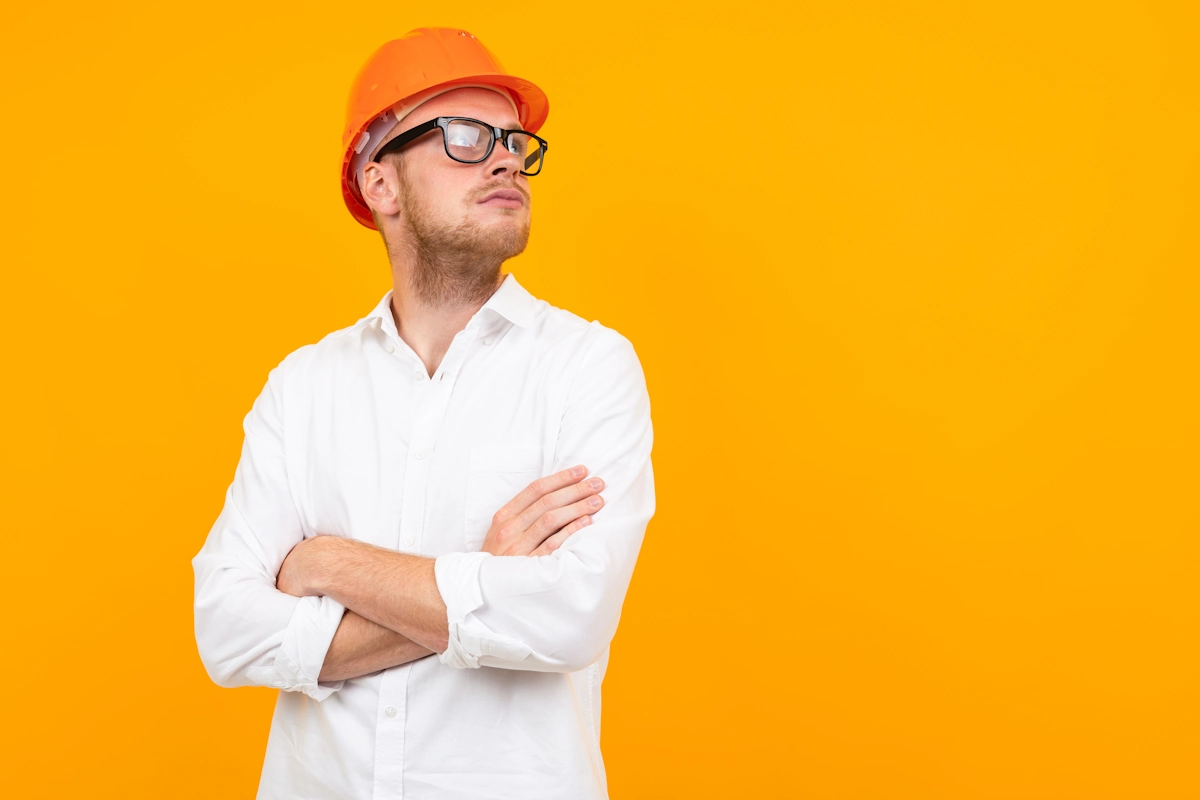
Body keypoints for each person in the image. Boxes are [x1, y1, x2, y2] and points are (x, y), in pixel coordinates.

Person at [191, 26, 655, 800]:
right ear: (381, 185)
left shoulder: (588, 367)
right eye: (469, 137)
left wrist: (329, 564)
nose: (508, 157)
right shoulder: (302, 388)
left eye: (515, 140)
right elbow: (227, 632)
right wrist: (487, 581)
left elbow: (569, 619)